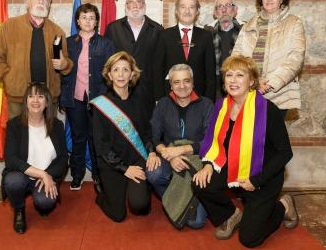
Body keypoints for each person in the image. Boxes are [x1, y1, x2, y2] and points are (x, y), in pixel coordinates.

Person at [192, 55, 298, 248]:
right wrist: (208, 165)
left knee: (249, 239)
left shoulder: (268, 110)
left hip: (262, 177)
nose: (233, 80)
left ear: (251, 81)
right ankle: (231, 215)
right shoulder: (221, 106)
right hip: (233, 167)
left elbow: (285, 153)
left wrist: (256, 181)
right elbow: (213, 142)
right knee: (200, 183)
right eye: (229, 75)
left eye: (240, 75)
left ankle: (283, 205)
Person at [146, 64, 213, 229]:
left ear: (193, 82)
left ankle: (185, 199)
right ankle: (174, 201)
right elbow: (154, 137)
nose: (182, 86)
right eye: (177, 82)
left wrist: (181, 150)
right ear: (171, 85)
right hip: (170, 158)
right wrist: (170, 155)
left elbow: (210, 141)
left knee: (196, 223)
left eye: (186, 81)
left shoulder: (207, 105)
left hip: (197, 160)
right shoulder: (162, 104)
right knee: (153, 173)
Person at [91, 51, 156, 222]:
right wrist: (125, 169)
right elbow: (102, 146)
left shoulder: (139, 100)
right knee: (118, 216)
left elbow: (146, 133)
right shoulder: (100, 105)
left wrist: (151, 152)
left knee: (140, 205)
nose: (120, 74)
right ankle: (102, 191)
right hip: (112, 163)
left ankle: (141, 190)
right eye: (116, 70)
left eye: (125, 70)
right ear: (109, 74)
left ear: (132, 74)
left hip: (136, 158)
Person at [0, 0, 73, 118]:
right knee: (19, 135)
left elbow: (66, 61)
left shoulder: (57, 31)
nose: (41, 0)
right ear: (27, 2)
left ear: (49, 5)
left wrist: (65, 65)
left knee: (47, 136)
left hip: (48, 98)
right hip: (18, 96)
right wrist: (7, 77)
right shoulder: (9, 27)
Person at [60, 3, 115, 191]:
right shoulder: (68, 43)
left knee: (95, 138)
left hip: (97, 99)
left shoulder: (106, 44)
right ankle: (77, 174)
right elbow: (61, 71)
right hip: (74, 98)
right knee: (78, 137)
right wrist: (62, 97)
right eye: (84, 17)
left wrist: (106, 97)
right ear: (77, 21)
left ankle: (98, 176)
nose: (87, 21)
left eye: (91, 18)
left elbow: (111, 73)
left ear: (97, 21)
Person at [232, 0, 306, 117]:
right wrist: (249, 83)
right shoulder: (249, 25)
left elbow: (295, 59)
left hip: (278, 93)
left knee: (271, 137)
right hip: (249, 91)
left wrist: (267, 85)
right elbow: (236, 58)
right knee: (251, 136)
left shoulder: (294, 23)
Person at [2, 83, 68, 234]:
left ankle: (40, 203)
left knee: (45, 202)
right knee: (13, 181)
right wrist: (41, 173)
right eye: (31, 96)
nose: (35, 100)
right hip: (23, 175)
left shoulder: (56, 125)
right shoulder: (14, 125)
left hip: (46, 176)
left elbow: (63, 158)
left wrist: (48, 174)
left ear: (47, 102)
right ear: (25, 101)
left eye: (40, 96)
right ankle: (19, 210)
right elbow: (11, 159)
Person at [105, 0, 163, 114]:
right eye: (131, 2)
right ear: (126, 6)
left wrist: (159, 96)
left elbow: (160, 65)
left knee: (147, 130)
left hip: (148, 93)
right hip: (120, 90)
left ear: (144, 5)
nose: (135, 6)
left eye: (139, 2)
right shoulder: (113, 28)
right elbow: (108, 63)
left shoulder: (157, 29)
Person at [154, 0, 216, 102]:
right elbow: (157, 70)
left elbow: (210, 73)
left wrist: (209, 101)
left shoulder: (206, 36)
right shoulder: (164, 35)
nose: (187, 11)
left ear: (197, 12)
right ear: (177, 11)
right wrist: (159, 99)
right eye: (183, 7)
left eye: (192, 7)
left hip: (199, 98)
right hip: (170, 97)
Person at [204, 0, 242, 99]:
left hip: (240, 86)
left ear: (235, 10)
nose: (224, 10)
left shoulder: (245, 31)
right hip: (215, 90)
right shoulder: (207, 33)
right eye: (220, 6)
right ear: (215, 13)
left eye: (228, 5)